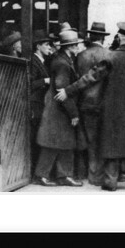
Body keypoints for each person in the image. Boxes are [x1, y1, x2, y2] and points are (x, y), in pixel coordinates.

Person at [55, 22, 125, 191]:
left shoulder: (110, 57)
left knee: (112, 144)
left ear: (120, 37)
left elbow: (91, 77)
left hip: (113, 109)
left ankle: (110, 182)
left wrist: (69, 90)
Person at [33, 30, 87, 187]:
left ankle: (62, 175)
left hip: (57, 109)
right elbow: (61, 90)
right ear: (70, 47)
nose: (78, 48)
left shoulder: (63, 59)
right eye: (76, 45)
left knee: (63, 143)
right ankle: (45, 175)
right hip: (59, 110)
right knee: (55, 143)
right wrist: (73, 113)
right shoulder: (63, 63)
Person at [73, 21, 111, 185]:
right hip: (104, 103)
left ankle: (84, 173)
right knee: (102, 139)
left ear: (91, 36)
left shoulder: (80, 56)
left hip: (84, 101)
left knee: (85, 138)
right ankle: (97, 175)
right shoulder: (108, 54)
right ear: (103, 38)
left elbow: (77, 78)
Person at [29, 29, 52, 177]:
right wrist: (45, 80)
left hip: (40, 104)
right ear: (38, 47)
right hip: (35, 104)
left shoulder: (42, 61)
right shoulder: (33, 61)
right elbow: (29, 83)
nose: (49, 47)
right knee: (35, 137)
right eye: (46, 45)